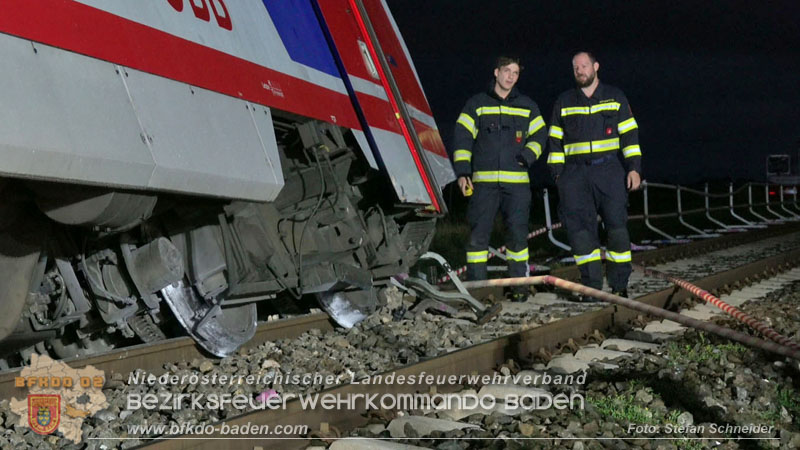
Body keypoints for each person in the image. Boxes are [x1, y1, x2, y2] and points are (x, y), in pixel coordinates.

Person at [546, 51, 642, 300]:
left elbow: (630, 136)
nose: (580, 70)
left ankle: (619, 285)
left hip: (609, 171)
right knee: (579, 232)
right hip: (574, 175)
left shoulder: (615, 97)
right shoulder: (564, 101)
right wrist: (558, 175)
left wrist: (634, 168)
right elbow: (554, 141)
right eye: (575, 67)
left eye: (584, 65)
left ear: (596, 67)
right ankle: (591, 287)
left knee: (617, 228)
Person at [451, 56, 547, 301]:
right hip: (483, 185)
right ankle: (477, 292)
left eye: (515, 72)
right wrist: (463, 173)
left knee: (517, 237)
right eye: (507, 71)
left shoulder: (528, 105)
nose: (511, 77)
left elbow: (540, 135)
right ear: (496, 72)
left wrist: (527, 156)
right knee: (477, 238)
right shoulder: (477, 104)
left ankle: (519, 289)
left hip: (517, 187)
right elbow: (462, 137)